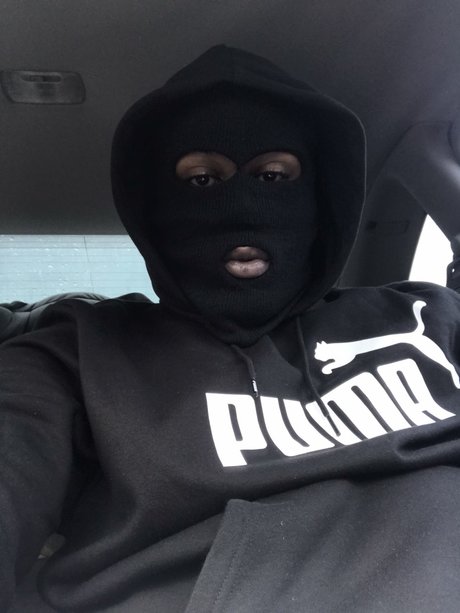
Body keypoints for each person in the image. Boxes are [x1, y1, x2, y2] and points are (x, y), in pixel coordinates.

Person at [2, 44, 460, 613]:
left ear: (319, 202)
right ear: (155, 210)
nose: (243, 205)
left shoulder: (429, 319)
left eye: (272, 176)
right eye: (201, 180)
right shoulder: (76, 353)